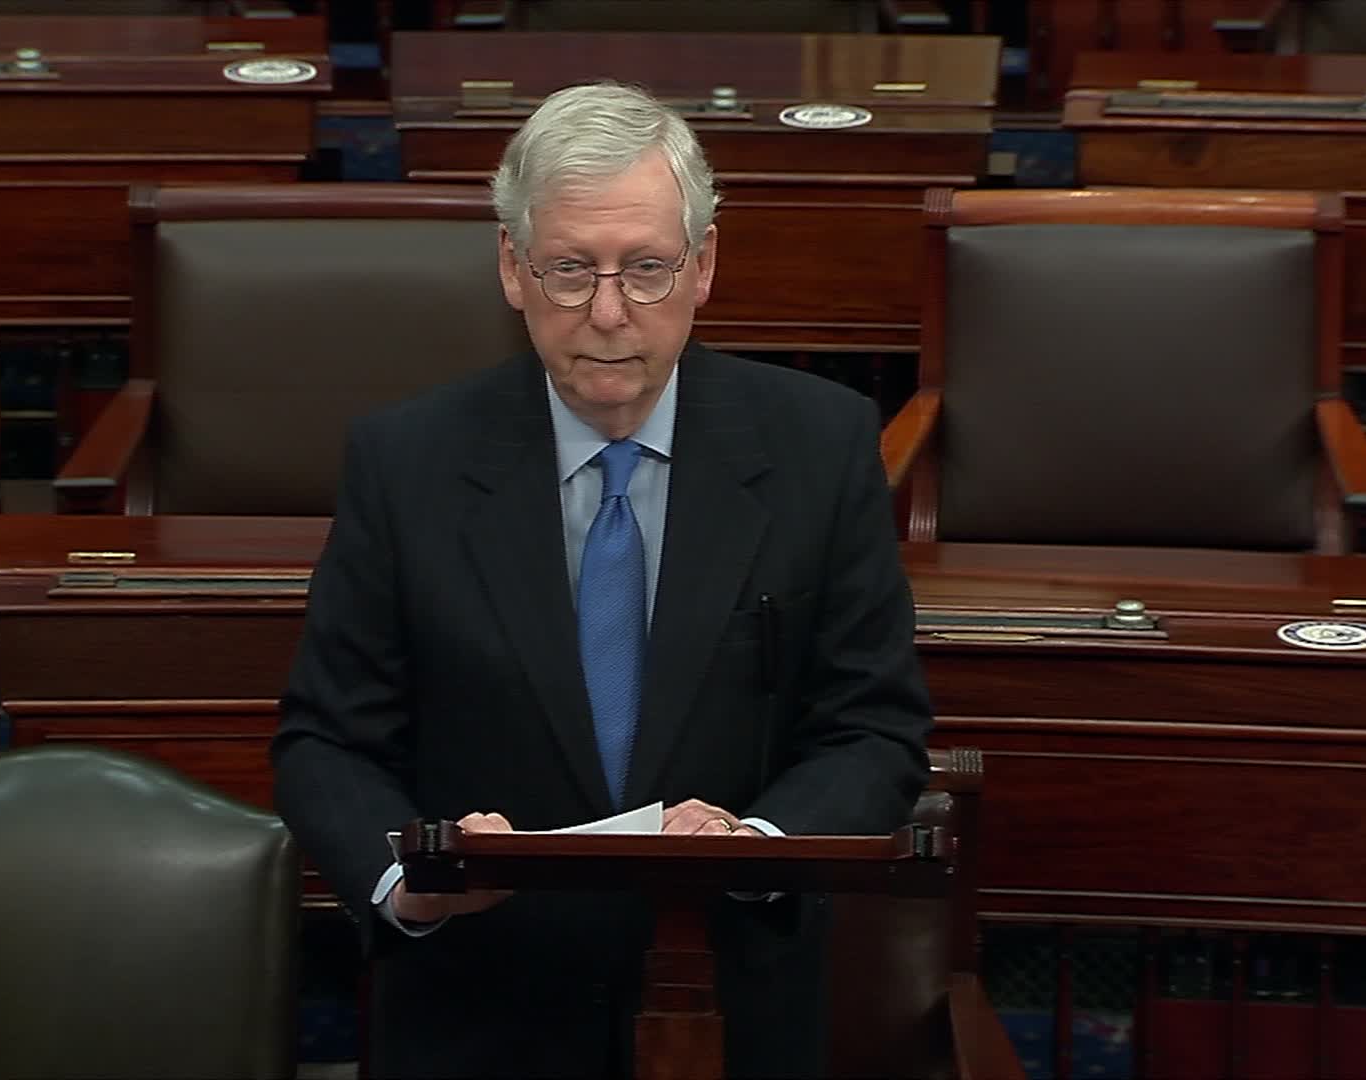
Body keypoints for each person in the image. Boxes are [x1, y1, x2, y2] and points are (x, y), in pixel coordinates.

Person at [272, 80, 934, 1079]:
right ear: (512, 268)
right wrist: (410, 879)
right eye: (572, 270)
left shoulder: (819, 445)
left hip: (732, 997)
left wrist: (757, 841)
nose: (611, 314)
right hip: (480, 1002)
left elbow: (874, 724)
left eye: (649, 269)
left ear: (704, 265)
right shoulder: (407, 461)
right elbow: (326, 739)